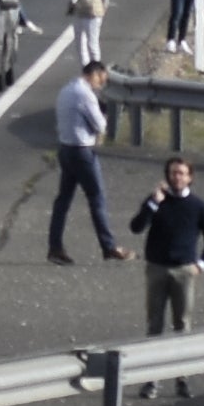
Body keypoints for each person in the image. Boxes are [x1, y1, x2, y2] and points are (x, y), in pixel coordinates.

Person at [130, 154, 204, 336]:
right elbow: (136, 227)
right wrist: (153, 203)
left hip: (184, 270)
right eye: (173, 173)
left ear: (190, 177)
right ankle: (151, 360)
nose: (177, 177)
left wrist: (201, 265)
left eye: (182, 173)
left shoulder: (199, 207)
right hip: (156, 269)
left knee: (182, 323)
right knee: (154, 322)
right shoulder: (156, 201)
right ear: (167, 175)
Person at [47, 61, 124, 265]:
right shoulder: (85, 94)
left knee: (63, 200)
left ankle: (55, 247)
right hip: (82, 151)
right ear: (94, 74)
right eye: (101, 80)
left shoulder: (66, 89)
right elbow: (100, 124)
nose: (101, 85)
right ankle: (108, 247)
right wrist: (104, 117)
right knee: (96, 198)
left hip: (65, 148)